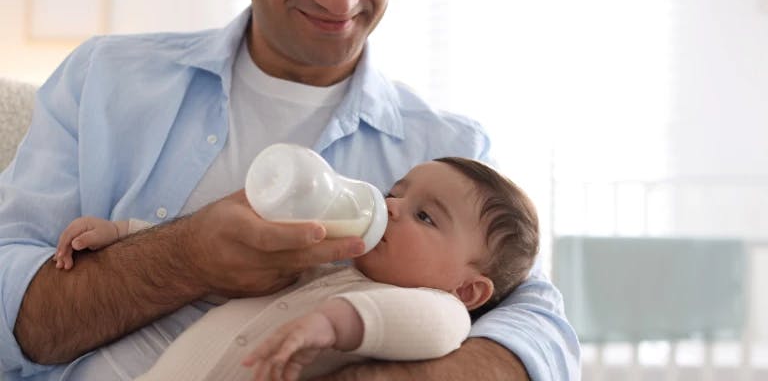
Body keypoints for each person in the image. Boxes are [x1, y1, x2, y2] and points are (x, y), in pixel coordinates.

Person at [0, 0, 580, 380]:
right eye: (395, 192)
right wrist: (179, 254)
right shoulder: (106, 77)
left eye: (424, 216)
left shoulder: (453, 151)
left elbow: (537, 328)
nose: (341, 5)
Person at [53, 157, 540, 381]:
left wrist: (330, 324)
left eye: (425, 216)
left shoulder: (441, 308)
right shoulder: (323, 267)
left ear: (468, 291)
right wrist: (125, 233)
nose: (391, 207)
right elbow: (229, 266)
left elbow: (423, 326)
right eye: (396, 192)